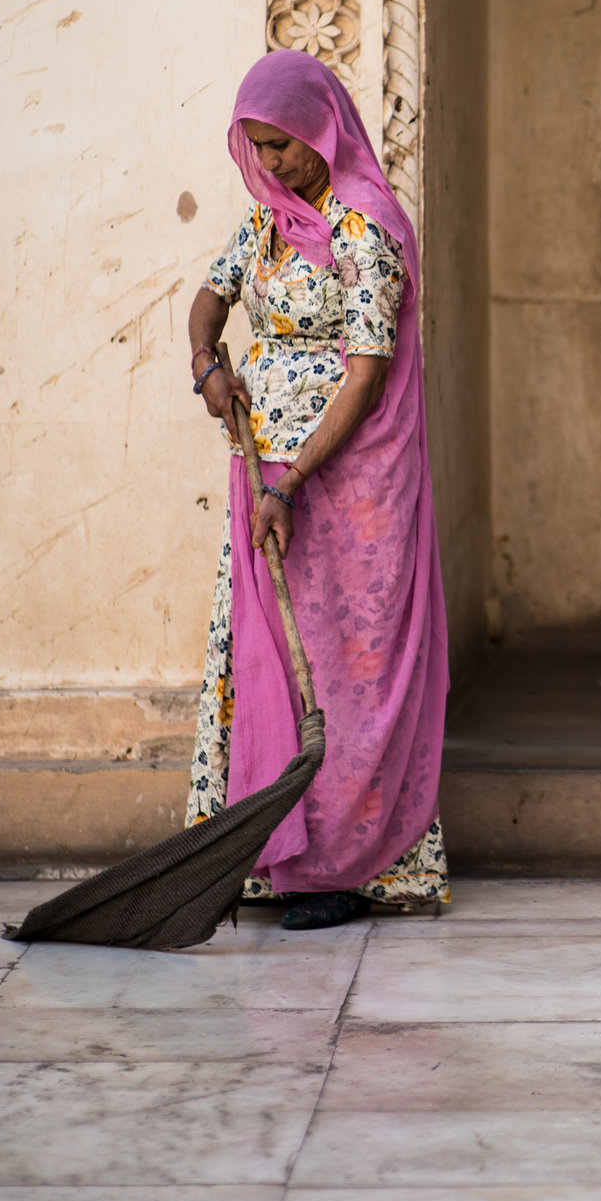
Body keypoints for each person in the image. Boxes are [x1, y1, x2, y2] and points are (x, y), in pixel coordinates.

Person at [182, 49, 451, 931]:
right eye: (257, 148)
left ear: (323, 130)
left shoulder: (363, 228)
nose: (272, 164)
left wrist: (293, 483)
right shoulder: (267, 222)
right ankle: (270, 856)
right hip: (264, 471)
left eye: (284, 146)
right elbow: (210, 299)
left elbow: (368, 371)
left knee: (348, 667)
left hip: (348, 483)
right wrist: (205, 366)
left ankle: (345, 865)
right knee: (272, 660)